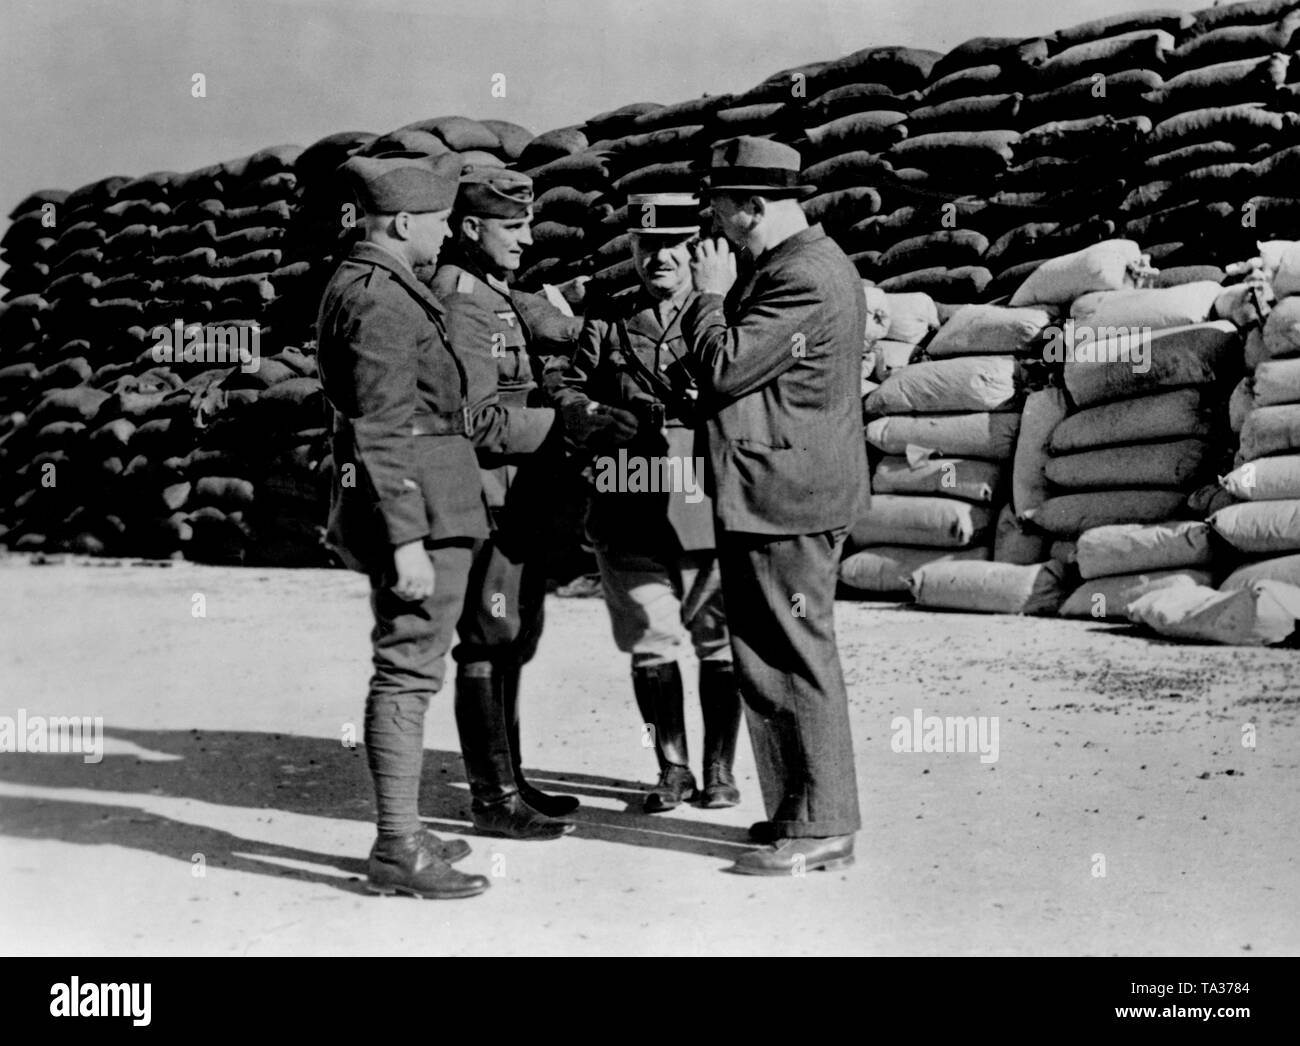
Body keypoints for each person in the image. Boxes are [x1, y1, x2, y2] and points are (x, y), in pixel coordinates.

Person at [681, 136, 869, 876]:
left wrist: (701, 296)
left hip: (787, 497)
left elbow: (727, 367)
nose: (715, 230)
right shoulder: (785, 268)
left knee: (796, 653)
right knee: (764, 659)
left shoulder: (805, 278)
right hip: (771, 492)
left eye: (723, 213)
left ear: (756, 208)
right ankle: (798, 810)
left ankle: (824, 822)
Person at [430, 166, 630, 839]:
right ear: (469, 228)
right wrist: (573, 424)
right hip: (485, 500)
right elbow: (477, 421)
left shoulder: (494, 292)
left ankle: (511, 779)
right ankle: (492, 799)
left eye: (525, 225)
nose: (523, 239)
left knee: (515, 634)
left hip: (517, 497)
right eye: (510, 227)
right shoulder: (463, 302)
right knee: (488, 638)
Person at [316, 153, 489, 899]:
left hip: (428, 501)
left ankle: (406, 829)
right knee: (408, 669)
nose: (450, 233)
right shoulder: (382, 299)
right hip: (419, 508)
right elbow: (380, 429)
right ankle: (396, 846)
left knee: (413, 664)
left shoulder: (375, 284)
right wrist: (407, 540)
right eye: (445, 220)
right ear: (406, 222)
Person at [550, 192, 743, 813]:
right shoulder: (607, 322)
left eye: (672, 246)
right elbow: (567, 389)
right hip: (628, 496)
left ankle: (720, 769)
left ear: (697, 251)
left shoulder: (726, 315)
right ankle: (673, 768)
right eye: (645, 245)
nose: (657, 258)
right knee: (651, 640)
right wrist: (591, 416)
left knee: (718, 639)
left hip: (706, 495)